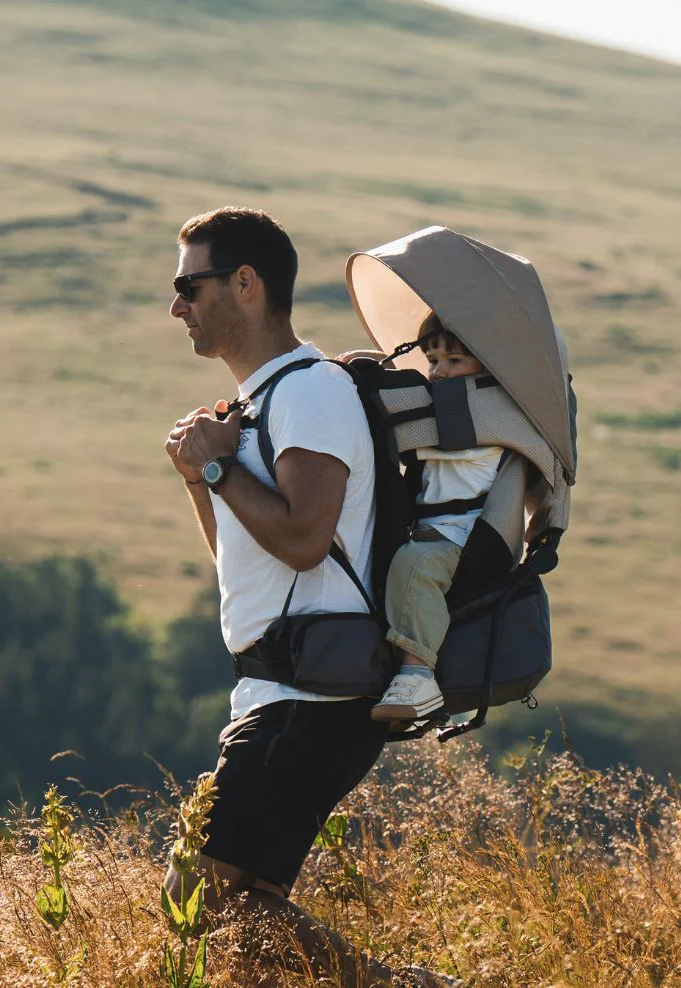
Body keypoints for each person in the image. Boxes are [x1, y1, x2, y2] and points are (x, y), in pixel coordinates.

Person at [163, 208, 462, 988]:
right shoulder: (264, 404)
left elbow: (301, 536)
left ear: (246, 284)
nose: (176, 306)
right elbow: (247, 559)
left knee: (201, 899)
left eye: (187, 286)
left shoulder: (310, 392)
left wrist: (225, 471)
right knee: (244, 913)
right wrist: (205, 477)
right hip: (282, 683)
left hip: (311, 690)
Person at [343, 313, 503, 724]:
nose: (438, 372)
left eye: (454, 361)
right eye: (432, 361)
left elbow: (422, 424)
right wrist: (370, 362)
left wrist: (378, 381)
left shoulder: (488, 414)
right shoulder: (445, 408)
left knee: (414, 569)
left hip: (465, 537)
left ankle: (418, 672)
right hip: (433, 530)